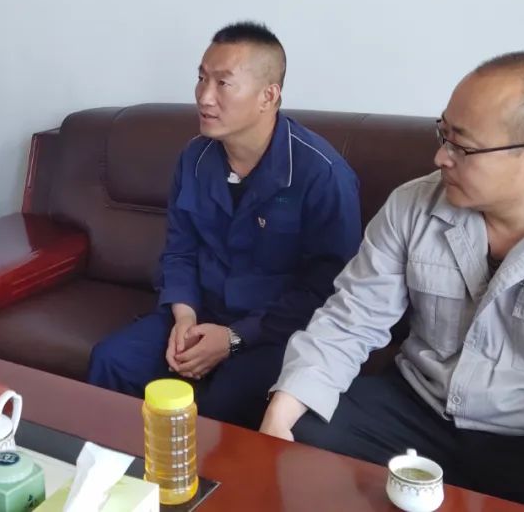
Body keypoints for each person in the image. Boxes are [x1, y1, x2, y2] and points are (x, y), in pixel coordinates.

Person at [260, 51, 524, 511]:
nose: (441, 157)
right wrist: (282, 413)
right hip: (418, 410)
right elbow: (351, 319)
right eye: (443, 134)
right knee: (301, 432)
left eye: (463, 147)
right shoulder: (412, 206)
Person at [87, 22, 361, 428]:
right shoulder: (194, 159)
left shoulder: (322, 174)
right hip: (200, 313)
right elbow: (179, 250)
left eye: (223, 83)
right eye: (201, 78)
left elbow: (327, 290)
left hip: (275, 332)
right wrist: (184, 317)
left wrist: (234, 338)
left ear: (269, 95)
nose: (204, 96)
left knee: (225, 400)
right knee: (111, 361)